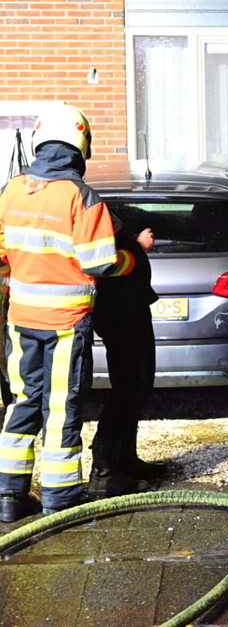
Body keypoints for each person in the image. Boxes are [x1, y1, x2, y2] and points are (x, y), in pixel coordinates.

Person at [0, 103, 136, 521]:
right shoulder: (82, 196)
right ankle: (59, 498)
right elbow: (100, 262)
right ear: (81, 147)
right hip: (65, 323)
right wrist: (130, 259)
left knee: (22, 402)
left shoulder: (11, 190)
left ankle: (9, 496)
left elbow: (3, 258)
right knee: (60, 407)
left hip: (20, 320)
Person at [89, 220, 166, 499]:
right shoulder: (83, 205)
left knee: (137, 384)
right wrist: (137, 248)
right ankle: (104, 472)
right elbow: (98, 258)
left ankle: (125, 461)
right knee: (129, 387)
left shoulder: (90, 206)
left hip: (129, 306)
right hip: (118, 309)